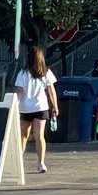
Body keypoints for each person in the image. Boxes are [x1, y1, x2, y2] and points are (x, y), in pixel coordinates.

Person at [13, 41, 58, 178]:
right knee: (39, 136)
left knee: (23, 135)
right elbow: (51, 91)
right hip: (41, 107)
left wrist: (14, 106)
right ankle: (41, 163)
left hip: (25, 108)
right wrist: (55, 106)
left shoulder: (23, 73)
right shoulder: (46, 72)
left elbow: (19, 92)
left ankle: (19, 161)